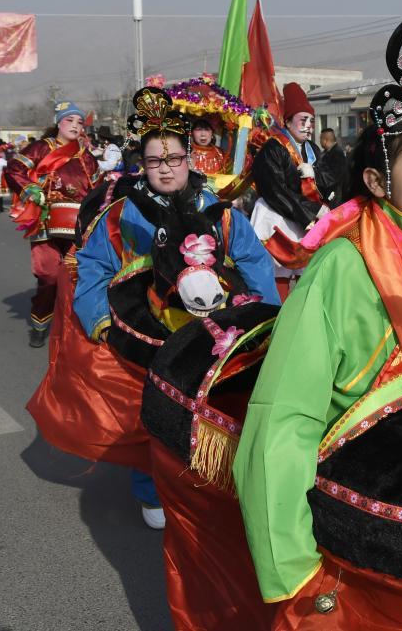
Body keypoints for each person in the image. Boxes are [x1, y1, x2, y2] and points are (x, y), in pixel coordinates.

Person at [232, 15, 402, 628]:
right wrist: (293, 567)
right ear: (379, 181)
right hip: (357, 510)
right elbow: (285, 420)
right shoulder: (343, 265)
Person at [71, 87, 279, 531]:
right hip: (150, 333)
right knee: (151, 414)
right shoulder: (122, 214)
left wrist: (263, 319)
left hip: (214, 330)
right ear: (142, 165)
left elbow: (253, 259)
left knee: (218, 408)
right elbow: (93, 267)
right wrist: (102, 321)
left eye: (174, 159)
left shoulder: (217, 209)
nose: (165, 169)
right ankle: (151, 490)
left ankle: (214, 480)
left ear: (189, 158)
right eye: (154, 162)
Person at [5, 101, 100, 348]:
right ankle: (40, 324)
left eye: (80, 122)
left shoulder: (86, 156)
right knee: (48, 277)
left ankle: (74, 329)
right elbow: (14, 169)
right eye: (70, 120)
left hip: (77, 224)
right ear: (58, 122)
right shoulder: (41, 147)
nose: (75, 125)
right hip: (47, 221)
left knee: (76, 278)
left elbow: (98, 189)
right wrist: (31, 189)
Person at [249, 82, 346, 299]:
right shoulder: (272, 148)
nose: (309, 126)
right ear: (287, 121)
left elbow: (327, 180)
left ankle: (304, 311)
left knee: (308, 274)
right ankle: (273, 313)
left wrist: (315, 174)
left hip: (305, 217)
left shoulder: (313, 149)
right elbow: (275, 191)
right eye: (303, 120)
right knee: (278, 273)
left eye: (311, 121)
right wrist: (311, 211)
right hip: (278, 215)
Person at [316, 127, 349, 206]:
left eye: (320, 139)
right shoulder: (325, 152)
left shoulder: (338, 154)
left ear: (326, 140)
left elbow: (334, 177)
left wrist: (315, 175)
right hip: (327, 195)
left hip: (335, 197)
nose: (320, 141)